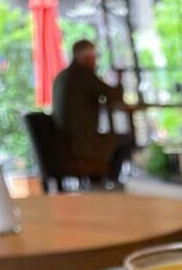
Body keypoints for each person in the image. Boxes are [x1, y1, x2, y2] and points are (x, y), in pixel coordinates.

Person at [52, 40, 137, 182]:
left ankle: (98, 178)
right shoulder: (83, 73)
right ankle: (110, 180)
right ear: (86, 57)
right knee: (127, 140)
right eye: (94, 56)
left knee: (114, 139)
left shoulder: (61, 76)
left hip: (63, 141)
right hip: (82, 143)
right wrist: (119, 80)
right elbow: (112, 96)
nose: (95, 60)